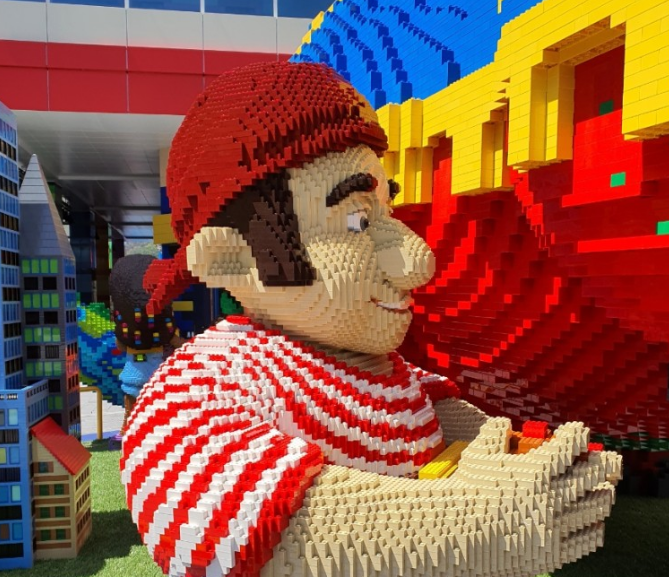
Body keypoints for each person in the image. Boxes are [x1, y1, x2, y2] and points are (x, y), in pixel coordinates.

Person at [121, 62, 621, 577]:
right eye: (357, 220)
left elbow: (442, 415)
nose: (417, 263)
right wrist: (481, 523)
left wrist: (527, 455)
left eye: (388, 211)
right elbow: (222, 523)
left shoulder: (384, 369)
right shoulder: (206, 383)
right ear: (231, 258)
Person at [109, 254, 185, 438]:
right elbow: (178, 343)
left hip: (133, 372)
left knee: (132, 404)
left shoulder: (127, 334)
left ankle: (128, 430)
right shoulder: (166, 333)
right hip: (157, 375)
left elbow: (120, 346)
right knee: (157, 406)